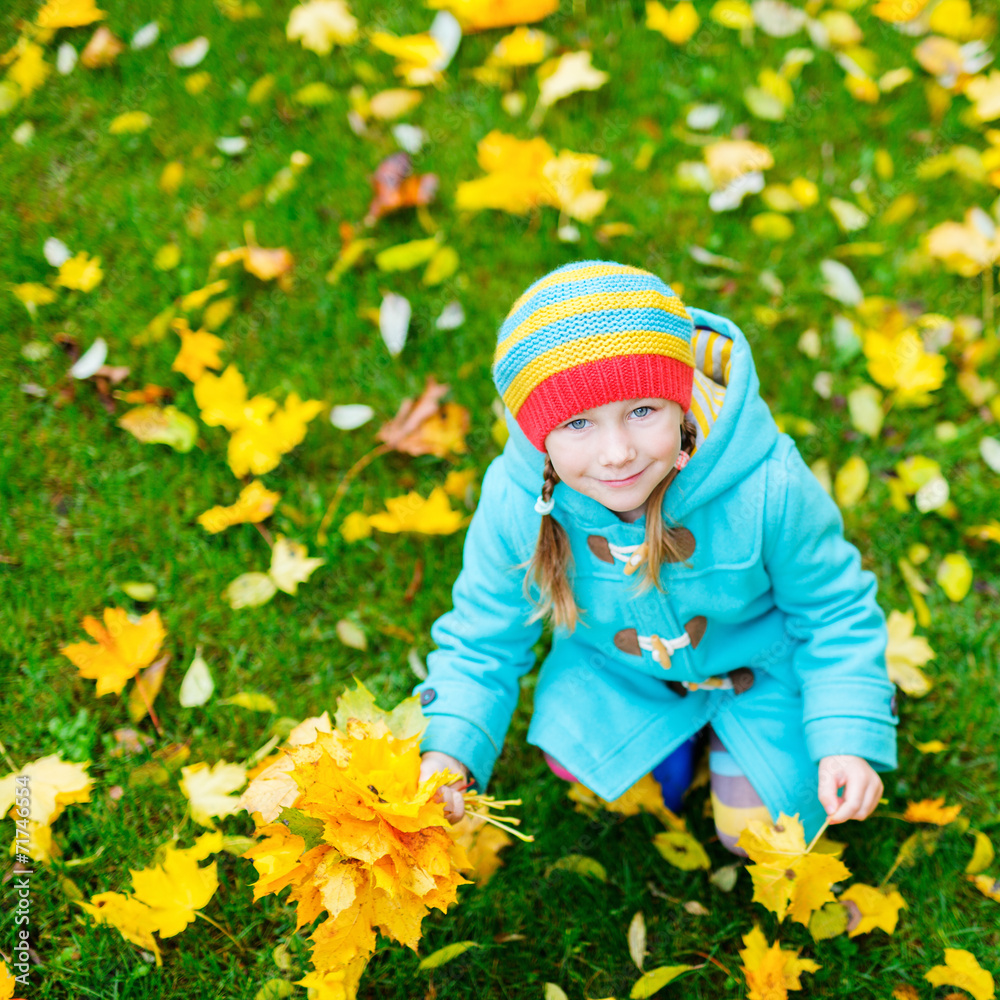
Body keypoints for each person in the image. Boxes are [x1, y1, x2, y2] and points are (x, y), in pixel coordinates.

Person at [414, 259, 897, 852]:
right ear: (540, 433)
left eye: (642, 411)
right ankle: (678, 740)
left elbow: (833, 608)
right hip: (625, 674)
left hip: (761, 672)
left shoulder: (766, 483)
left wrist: (846, 732)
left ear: (681, 401)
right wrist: (451, 744)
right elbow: (481, 632)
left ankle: (728, 737)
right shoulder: (518, 500)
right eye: (578, 423)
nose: (617, 452)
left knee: (754, 837)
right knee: (580, 760)